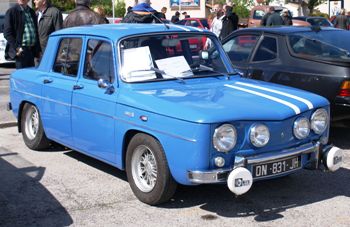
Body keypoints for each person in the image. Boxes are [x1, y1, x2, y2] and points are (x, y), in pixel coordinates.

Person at [4, 0, 41, 69]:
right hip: (21, 52)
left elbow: (36, 32)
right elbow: (7, 33)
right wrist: (17, 48)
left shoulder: (32, 12)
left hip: (31, 51)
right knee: (22, 77)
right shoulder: (12, 11)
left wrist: (38, 49)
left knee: (30, 76)